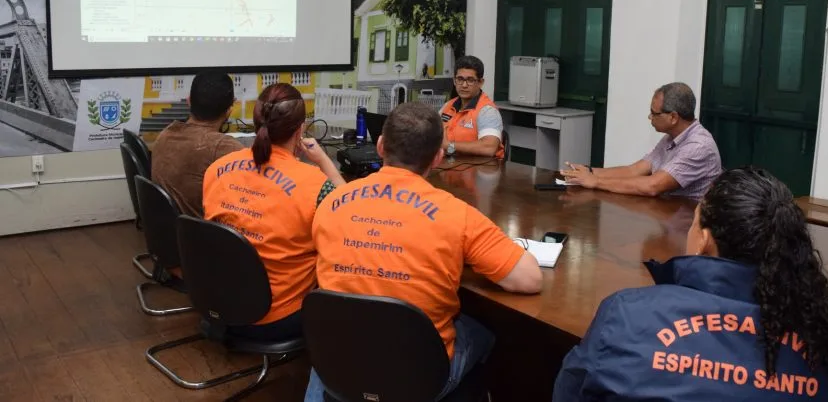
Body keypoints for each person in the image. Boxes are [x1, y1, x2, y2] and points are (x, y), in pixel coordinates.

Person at [553, 167, 828, 402]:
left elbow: (571, 392)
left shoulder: (627, 315)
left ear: (704, 239)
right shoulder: (825, 336)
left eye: (694, 220)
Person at [306, 102, 542, 401]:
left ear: (380, 146)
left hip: (341, 365)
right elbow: (529, 279)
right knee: (483, 331)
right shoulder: (457, 215)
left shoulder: (331, 204)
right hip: (419, 378)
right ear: (438, 156)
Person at [202, 83, 346, 341]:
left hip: (216, 305)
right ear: (300, 129)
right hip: (275, 319)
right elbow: (348, 213)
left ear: (256, 123)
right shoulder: (314, 185)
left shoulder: (217, 168)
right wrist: (324, 161)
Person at [562, 82, 721, 201]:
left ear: (673, 117)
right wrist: (588, 171)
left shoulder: (698, 146)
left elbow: (653, 186)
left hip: (688, 225)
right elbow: (635, 170)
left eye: (654, 113)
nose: (649, 117)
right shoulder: (671, 137)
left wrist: (595, 181)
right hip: (668, 216)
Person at [152, 71, 244, 217]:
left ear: (189, 101)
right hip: (205, 235)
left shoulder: (166, 134)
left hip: (170, 231)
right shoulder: (226, 148)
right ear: (229, 110)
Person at [440, 55, 504, 159]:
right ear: (454, 81)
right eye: (460, 79)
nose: (464, 85)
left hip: (483, 170)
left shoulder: (487, 111)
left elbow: (489, 148)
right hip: (450, 164)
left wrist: (449, 146)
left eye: (470, 80)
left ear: (480, 82)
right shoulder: (448, 106)